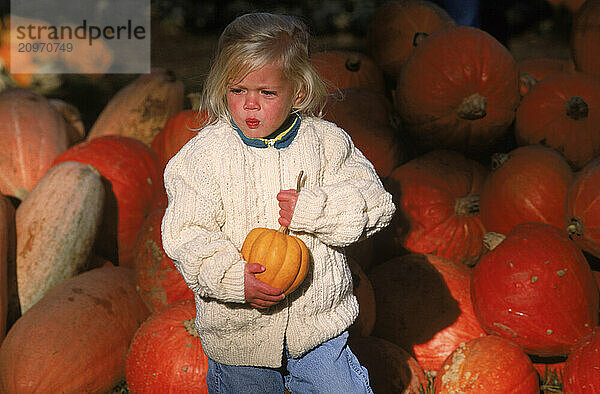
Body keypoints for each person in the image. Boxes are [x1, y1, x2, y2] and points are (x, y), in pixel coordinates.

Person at [161, 12, 395, 394]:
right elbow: (187, 235)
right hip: (240, 331)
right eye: (238, 91)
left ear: (298, 93)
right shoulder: (203, 158)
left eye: (267, 93)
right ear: (222, 87)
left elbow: (375, 204)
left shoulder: (326, 144)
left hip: (317, 327)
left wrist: (316, 209)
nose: (251, 105)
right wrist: (233, 279)